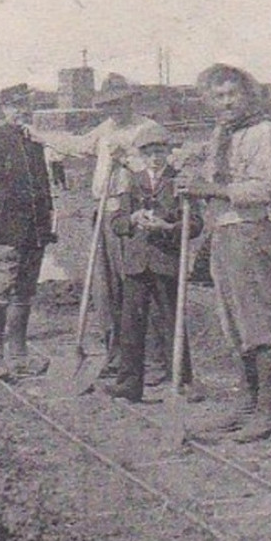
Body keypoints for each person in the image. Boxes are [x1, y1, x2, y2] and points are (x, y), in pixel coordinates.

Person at [176, 64, 271, 442]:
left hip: (248, 231)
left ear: (248, 95)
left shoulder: (264, 132)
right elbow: (214, 180)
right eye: (218, 96)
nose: (226, 102)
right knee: (232, 321)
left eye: (232, 95)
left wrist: (209, 189)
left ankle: (268, 411)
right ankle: (247, 403)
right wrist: (194, 186)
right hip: (222, 232)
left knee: (255, 319)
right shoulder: (221, 134)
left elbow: (262, 188)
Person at [29, 90, 162, 375]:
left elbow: (157, 173)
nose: (114, 109)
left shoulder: (147, 129)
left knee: (135, 285)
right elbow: (79, 145)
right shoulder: (106, 128)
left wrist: (127, 158)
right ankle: (115, 355)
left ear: (130, 101)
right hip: (104, 211)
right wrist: (42, 136)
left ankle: (148, 359)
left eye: (118, 103)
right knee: (105, 288)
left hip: (134, 213)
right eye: (108, 105)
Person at [103, 123, 204, 402]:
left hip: (166, 262)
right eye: (149, 153)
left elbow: (195, 224)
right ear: (141, 155)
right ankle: (129, 384)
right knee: (131, 324)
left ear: (168, 153)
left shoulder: (179, 182)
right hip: (137, 264)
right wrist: (132, 220)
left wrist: (168, 227)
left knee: (173, 321)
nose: (155, 158)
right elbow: (117, 223)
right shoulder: (132, 183)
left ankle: (182, 381)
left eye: (160, 152)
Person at [0, 103, 56, 379]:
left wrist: (48, 223)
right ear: (3, 109)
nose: (21, 113)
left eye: (26, 107)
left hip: (35, 233)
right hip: (5, 232)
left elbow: (43, 186)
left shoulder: (34, 143)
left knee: (24, 294)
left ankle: (19, 355)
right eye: (15, 107)